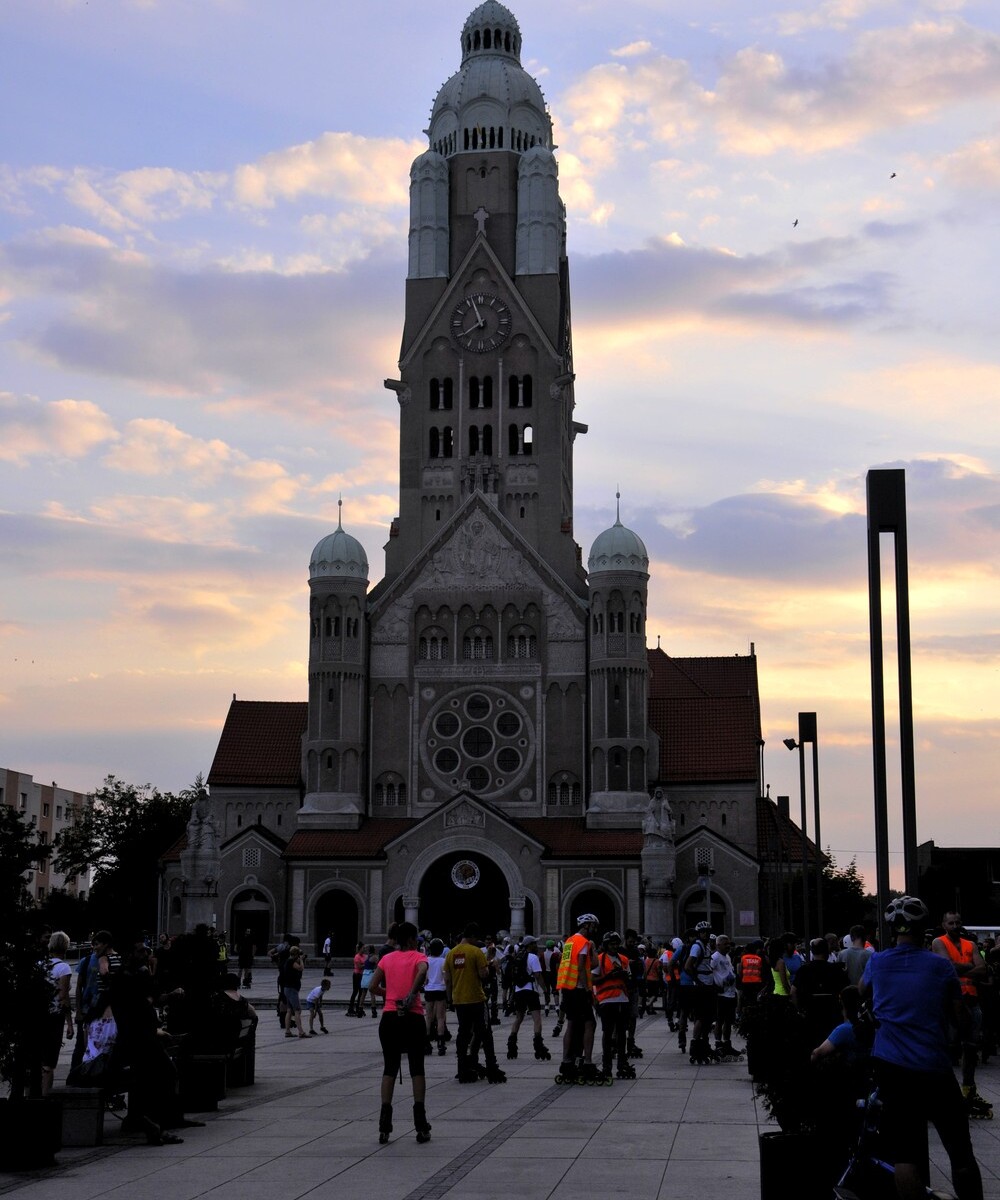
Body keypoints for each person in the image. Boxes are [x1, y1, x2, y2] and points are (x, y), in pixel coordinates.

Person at [860, 895, 984, 1200]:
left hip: (893, 1070)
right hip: (934, 1067)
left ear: (891, 929)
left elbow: (860, 991)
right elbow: (961, 1017)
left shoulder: (877, 962)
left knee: (906, 1154)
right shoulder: (940, 967)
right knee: (960, 1151)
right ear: (924, 928)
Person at [367, 921, 431, 1144]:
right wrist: (412, 994)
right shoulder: (418, 957)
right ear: (413, 939)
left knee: (389, 1067)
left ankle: (384, 1124)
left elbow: (372, 986)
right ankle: (420, 1124)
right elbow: (423, 971)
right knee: (416, 1068)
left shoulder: (387, 958)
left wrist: (390, 995)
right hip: (412, 1017)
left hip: (389, 1018)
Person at [932, 911, 992, 1118]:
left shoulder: (971, 945)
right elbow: (947, 966)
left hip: (971, 1000)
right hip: (950, 1002)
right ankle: (945, 1093)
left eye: (958, 922)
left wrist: (959, 970)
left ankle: (968, 1089)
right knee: (948, 1047)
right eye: (951, 922)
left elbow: (983, 969)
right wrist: (969, 969)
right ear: (944, 924)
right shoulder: (938, 942)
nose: (955, 925)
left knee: (971, 1048)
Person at [444, 923, 506, 1083]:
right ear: (472, 936)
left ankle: (463, 1068)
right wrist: (490, 963)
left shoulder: (451, 953)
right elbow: (483, 974)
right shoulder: (475, 952)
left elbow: (447, 980)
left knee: (463, 1033)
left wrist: (449, 999)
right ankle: (492, 1067)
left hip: (459, 1000)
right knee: (485, 1033)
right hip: (476, 999)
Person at [556, 913, 599, 1082]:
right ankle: (587, 1062)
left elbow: (591, 964)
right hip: (579, 988)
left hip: (567, 988)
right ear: (587, 925)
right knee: (590, 1023)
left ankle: (567, 1061)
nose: (595, 929)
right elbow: (582, 967)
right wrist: (588, 989)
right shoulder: (583, 942)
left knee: (572, 1023)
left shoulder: (569, 941)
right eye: (593, 926)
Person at [593, 930, 633, 1080]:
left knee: (622, 1034)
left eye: (616, 943)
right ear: (606, 945)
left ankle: (622, 1063)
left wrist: (623, 976)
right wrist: (609, 976)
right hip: (606, 1001)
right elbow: (593, 980)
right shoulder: (599, 959)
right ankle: (606, 1066)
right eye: (611, 944)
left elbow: (629, 980)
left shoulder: (623, 959)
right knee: (608, 1034)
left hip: (622, 1000)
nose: (614, 946)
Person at [40, 931, 74, 1096]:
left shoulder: (40, 964)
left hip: (38, 1015)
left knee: (36, 1059)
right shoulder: (64, 967)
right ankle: (46, 1097)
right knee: (49, 1062)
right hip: (54, 1017)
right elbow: (63, 996)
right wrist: (69, 1023)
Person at [505, 935, 549, 1062]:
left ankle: (512, 1044)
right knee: (537, 1019)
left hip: (519, 990)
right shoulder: (533, 957)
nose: (536, 945)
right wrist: (545, 990)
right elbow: (538, 975)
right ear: (530, 945)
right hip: (530, 990)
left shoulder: (518, 957)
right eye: (534, 943)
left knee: (519, 1018)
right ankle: (538, 1045)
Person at [423, 938, 449, 1055]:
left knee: (428, 1017)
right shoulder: (443, 961)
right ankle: (441, 1044)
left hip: (429, 990)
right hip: (440, 989)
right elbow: (446, 978)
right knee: (440, 1017)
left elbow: (424, 977)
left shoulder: (426, 960)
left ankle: (427, 1043)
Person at [281, 946, 307, 1038]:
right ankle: (301, 1032)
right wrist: (301, 960)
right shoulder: (291, 961)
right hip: (292, 989)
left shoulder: (289, 961)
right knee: (297, 1010)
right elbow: (300, 968)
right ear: (295, 954)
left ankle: (287, 1031)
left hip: (288, 988)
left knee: (289, 1010)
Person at [348, 942, 366, 1017]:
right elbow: (359, 967)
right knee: (355, 991)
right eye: (363, 948)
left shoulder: (365, 956)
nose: (364, 949)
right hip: (357, 975)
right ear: (359, 949)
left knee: (361, 992)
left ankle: (359, 1007)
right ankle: (350, 1008)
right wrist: (367, 964)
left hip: (362, 975)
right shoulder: (357, 957)